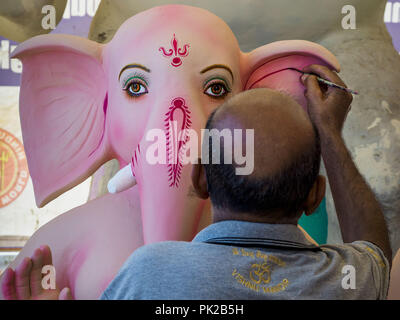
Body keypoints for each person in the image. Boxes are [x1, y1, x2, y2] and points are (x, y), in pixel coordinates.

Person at [1, 65, 392, 300]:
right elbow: (374, 250)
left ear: (200, 178)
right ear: (314, 196)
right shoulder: (344, 279)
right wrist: (330, 134)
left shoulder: (149, 274)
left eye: (216, 88)